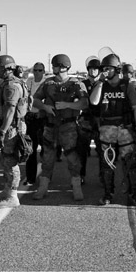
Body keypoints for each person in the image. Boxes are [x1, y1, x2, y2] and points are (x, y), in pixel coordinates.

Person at [32, 54, 88, 202]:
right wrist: (45, 107)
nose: (53, 68)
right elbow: (35, 100)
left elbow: (84, 103)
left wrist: (67, 105)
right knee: (47, 158)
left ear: (63, 67)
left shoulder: (76, 84)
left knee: (72, 158)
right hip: (50, 126)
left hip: (68, 126)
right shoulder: (48, 83)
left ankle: (76, 187)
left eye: (55, 65)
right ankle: (43, 188)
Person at [90, 53, 136, 206]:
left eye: (108, 68)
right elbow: (94, 102)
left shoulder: (127, 85)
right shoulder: (101, 85)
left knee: (131, 163)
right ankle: (108, 193)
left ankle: (135, 193)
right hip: (107, 130)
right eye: (103, 69)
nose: (105, 71)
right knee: (107, 163)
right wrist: (99, 82)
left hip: (124, 129)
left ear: (116, 69)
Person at [0, 54, 29, 209]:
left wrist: (2, 130)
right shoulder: (12, 82)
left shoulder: (11, 86)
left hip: (12, 127)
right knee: (5, 159)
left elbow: (10, 109)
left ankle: (12, 196)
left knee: (10, 161)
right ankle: (7, 191)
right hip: (13, 126)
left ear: (5, 68)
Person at [76, 56, 101, 185]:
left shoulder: (103, 83)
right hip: (85, 119)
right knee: (81, 151)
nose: (93, 71)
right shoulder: (83, 84)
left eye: (96, 69)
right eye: (91, 69)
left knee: (102, 151)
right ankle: (80, 175)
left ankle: (104, 177)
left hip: (100, 120)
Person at [23, 63, 47, 186]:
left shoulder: (47, 83)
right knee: (30, 149)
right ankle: (30, 178)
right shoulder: (29, 82)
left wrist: (42, 111)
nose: (37, 72)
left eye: (40, 70)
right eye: (35, 70)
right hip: (30, 118)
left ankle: (45, 178)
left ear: (44, 71)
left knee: (46, 150)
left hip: (43, 119)